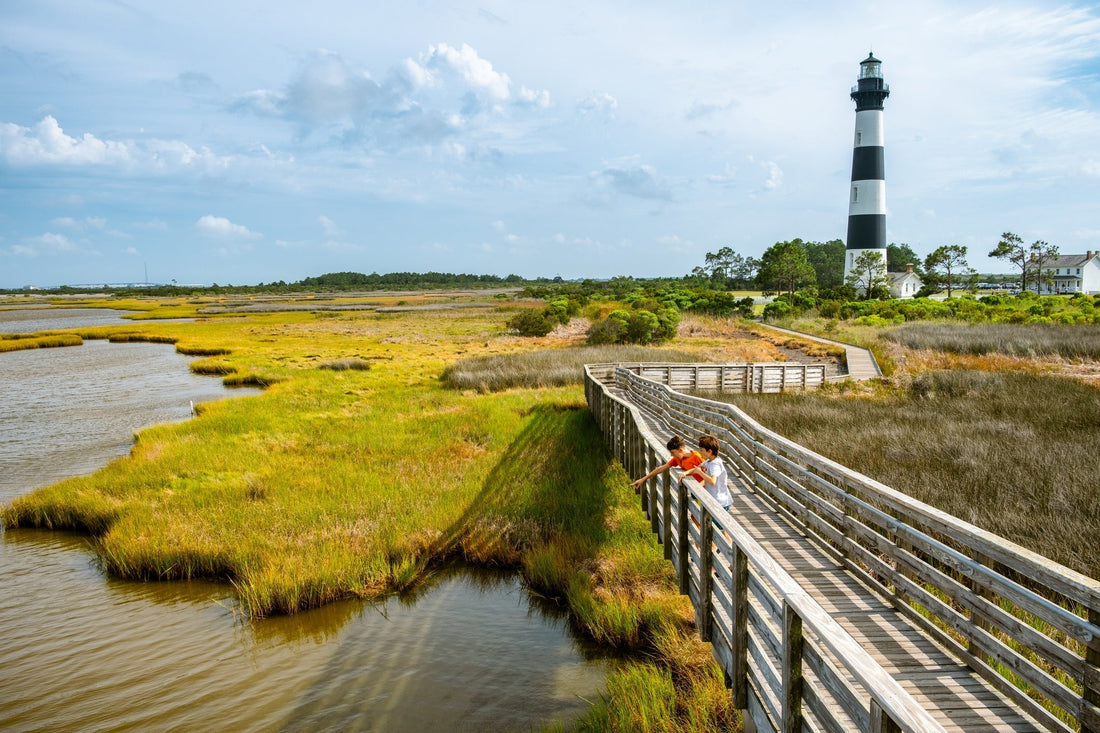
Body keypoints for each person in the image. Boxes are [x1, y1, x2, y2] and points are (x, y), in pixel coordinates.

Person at [630, 435, 703, 489]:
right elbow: (661, 468)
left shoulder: (697, 457)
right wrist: (643, 479)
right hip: (696, 487)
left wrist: (686, 474)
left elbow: (710, 472)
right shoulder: (677, 459)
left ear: (680, 450)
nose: (671, 455)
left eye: (673, 452)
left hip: (707, 489)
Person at [683, 434, 731, 512]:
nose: (699, 452)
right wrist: (684, 473)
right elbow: (697, 467)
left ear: (709, 451)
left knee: (718, 524)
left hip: (720, 503)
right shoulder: (709, 461)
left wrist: (700, 472)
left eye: (701, 450)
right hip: (713, 500)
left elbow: (712, 481)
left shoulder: (715, 464)